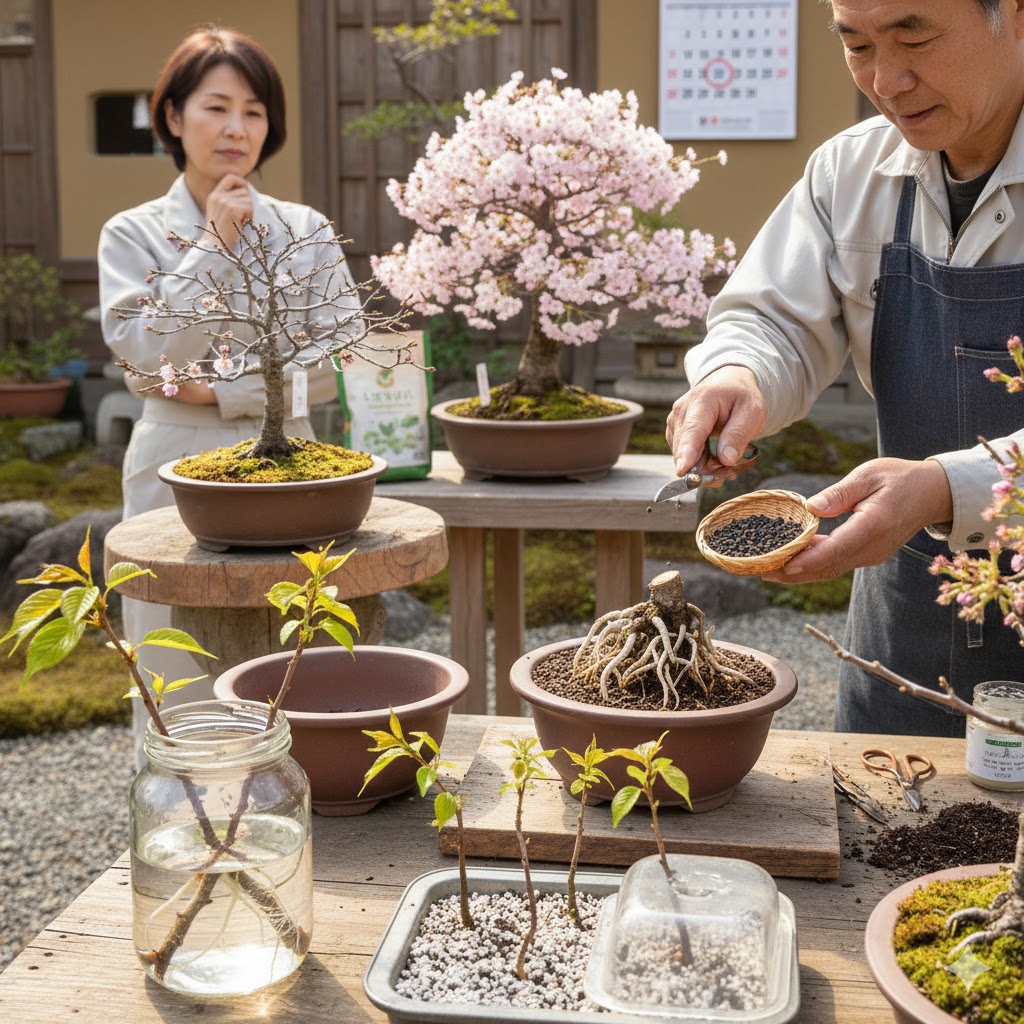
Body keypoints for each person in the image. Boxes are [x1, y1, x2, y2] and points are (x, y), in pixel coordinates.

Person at [666, 0, 1024, 737]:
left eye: (914, 35)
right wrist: (739, 374)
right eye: (856, 45)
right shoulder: (852, 171)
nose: (887, 80)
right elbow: (773, 318)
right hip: (904, 637)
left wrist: (944, 489)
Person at [99, 26, 354, 765]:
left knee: (293, 674)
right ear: (173, 118)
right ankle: (185, 842)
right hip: (171, 467)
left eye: (255, 110)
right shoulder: (135, 234)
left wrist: (222, 390)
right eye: (217, 107)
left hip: (296, 471)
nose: (238, 128)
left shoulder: (304, 230)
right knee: (172, 676)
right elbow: (146, 354)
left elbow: (336, 362)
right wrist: (213, 244)